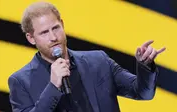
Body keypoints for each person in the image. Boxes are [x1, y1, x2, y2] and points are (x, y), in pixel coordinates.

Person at [8, 1, 166, 112]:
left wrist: (145, 66)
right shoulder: (21, 81)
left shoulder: (98, 61)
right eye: (44, 32)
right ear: (31, 38)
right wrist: (53, 87)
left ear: (62, 25)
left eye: (55, 28)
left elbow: (143, 92)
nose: (53, 37)